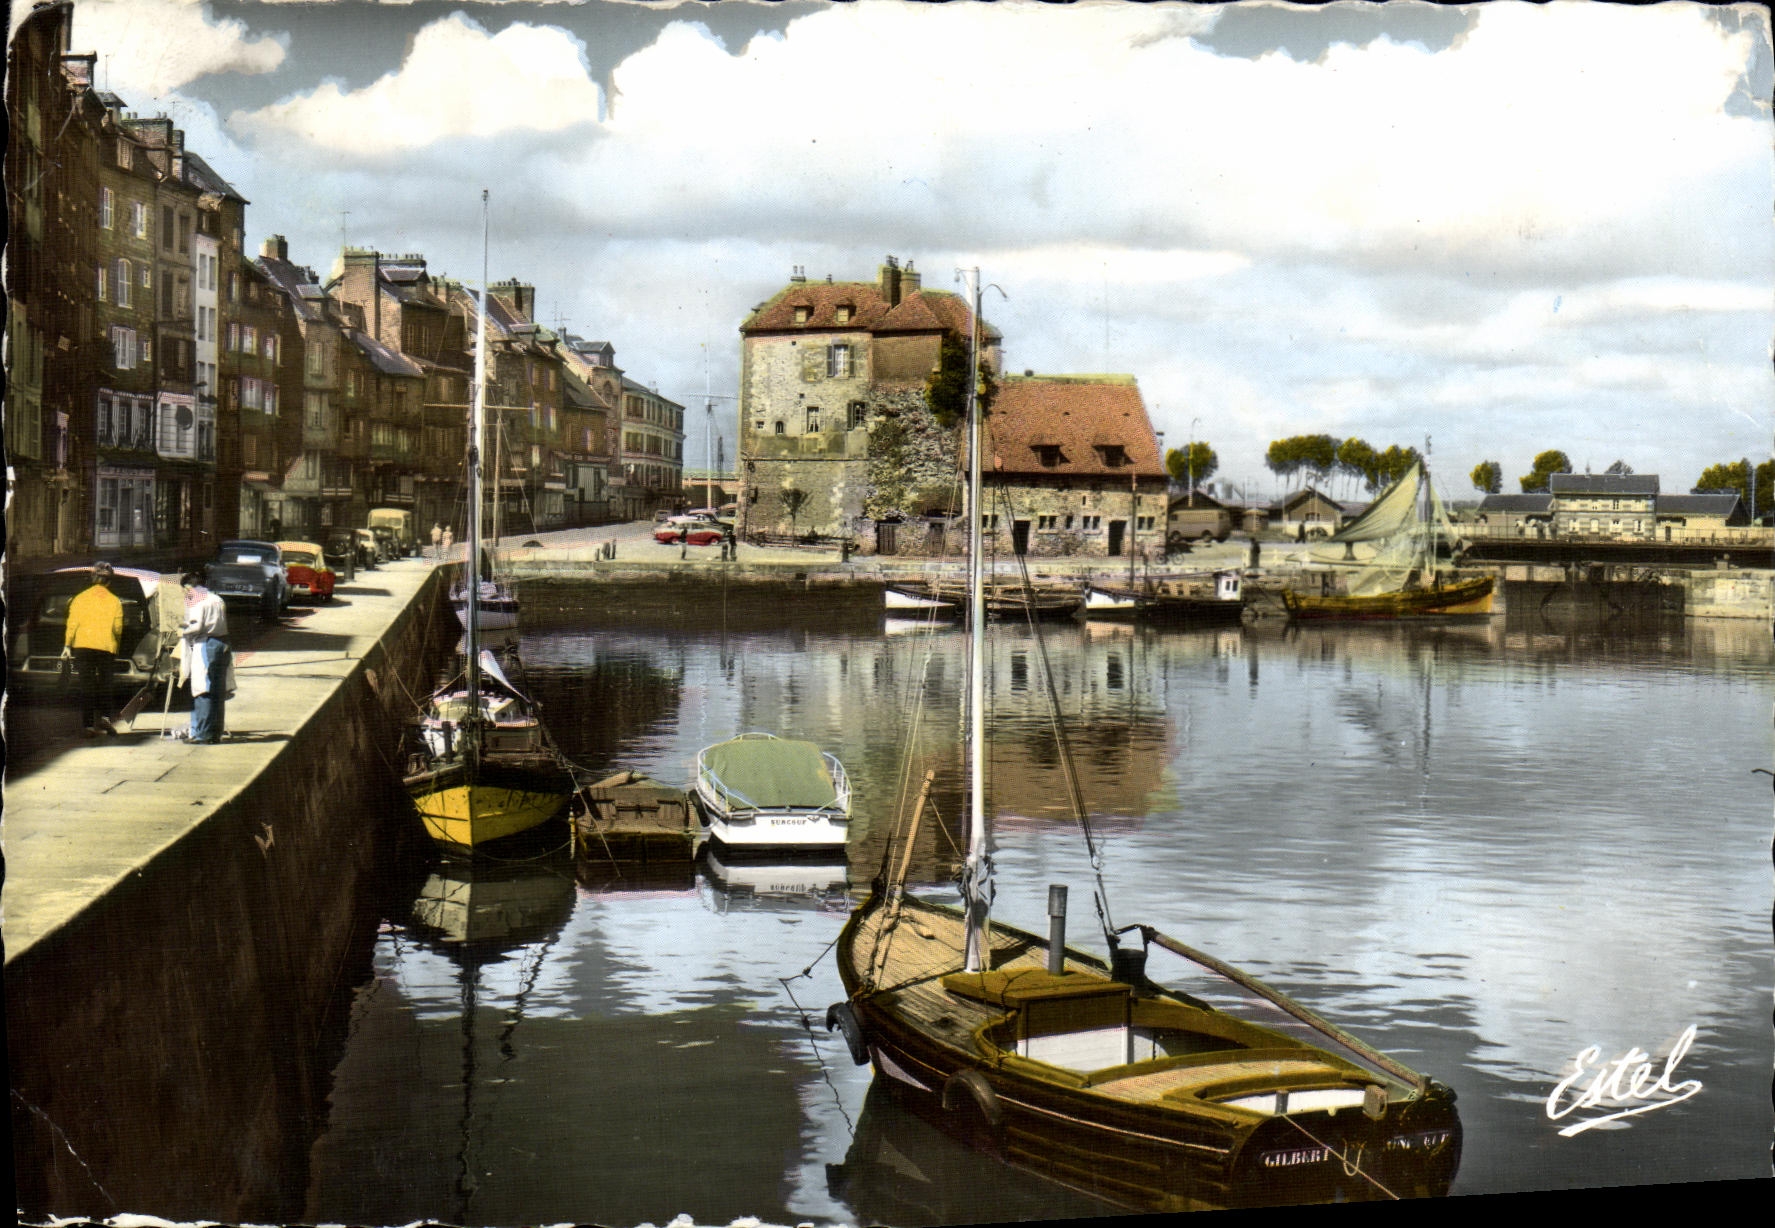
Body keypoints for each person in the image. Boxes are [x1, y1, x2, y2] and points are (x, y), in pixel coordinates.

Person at [63, 562, 124, 737]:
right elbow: (118, 629)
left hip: (83, 645)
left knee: (86, 686)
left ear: (92, 578)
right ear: (109, 581)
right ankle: (105, 717)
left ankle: (88, 726)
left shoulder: (80, 598)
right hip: (106, 646)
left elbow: (72, 624)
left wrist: (67, 645)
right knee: (106, 684)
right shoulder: (114, 601)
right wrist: (116, 646)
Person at [178, 571, 233, 744]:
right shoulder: (217, 599)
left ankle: (202, 734)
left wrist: (182, 631)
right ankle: (215, 732)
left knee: (203, 689)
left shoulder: (197, 602)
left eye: (186, 589)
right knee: (218, 690)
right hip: (222, 643)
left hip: (206, 644)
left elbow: (196, 627)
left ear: (191, 587)